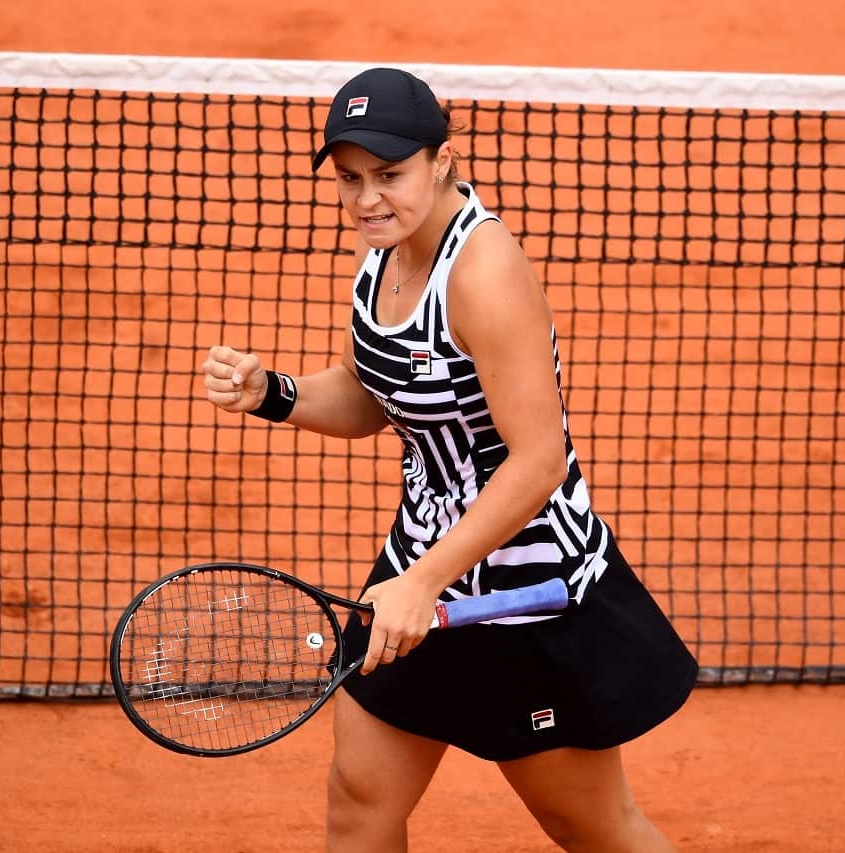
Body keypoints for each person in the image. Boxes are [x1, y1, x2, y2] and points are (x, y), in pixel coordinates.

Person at [203, 67, 698, 853]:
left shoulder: (484, 272)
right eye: (351, 179)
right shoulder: (387, 253)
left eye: (389, 175)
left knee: (594, 827)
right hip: (421, 565)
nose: (367, 198)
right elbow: (377, 396)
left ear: (443, 160)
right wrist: (276, 391)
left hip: (520, 588)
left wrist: (425, 581)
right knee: (360, 796)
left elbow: (537, 463)